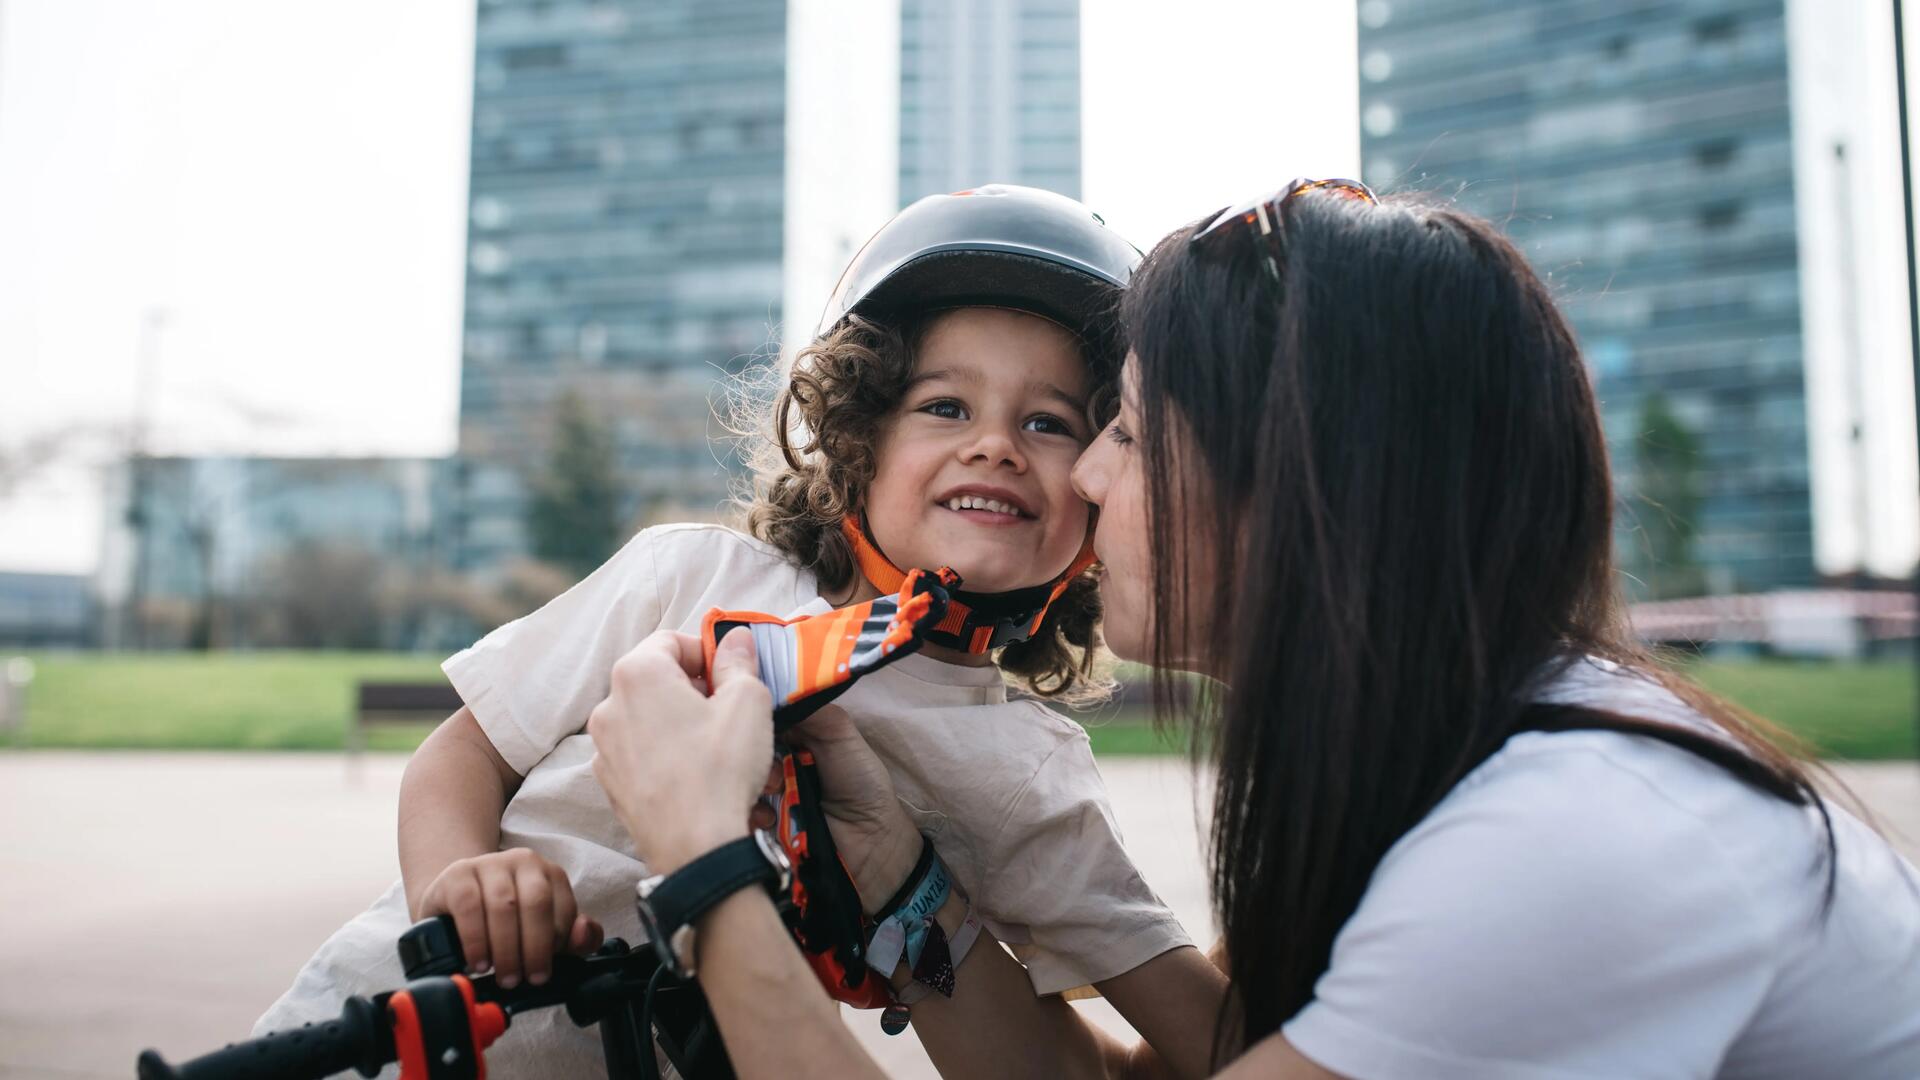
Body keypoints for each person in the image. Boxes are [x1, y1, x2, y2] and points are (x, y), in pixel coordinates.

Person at [591, 180, 1920, 1078]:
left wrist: (706, 867)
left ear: (1302, 476)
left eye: (1119, 427)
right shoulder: (1443, 761)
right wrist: (898, 897)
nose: (1088, 478)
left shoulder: (1563, 847)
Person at [252, 186, 1223, 1076]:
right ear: (857, 444)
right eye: (944, 406)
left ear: (1100, 490)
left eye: (1051, 424)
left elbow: (1199, 1032)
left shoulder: (1031, 774)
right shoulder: (691, 574)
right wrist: (462, 881)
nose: (995, 445)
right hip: (372, 1036)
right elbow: (463, 750)